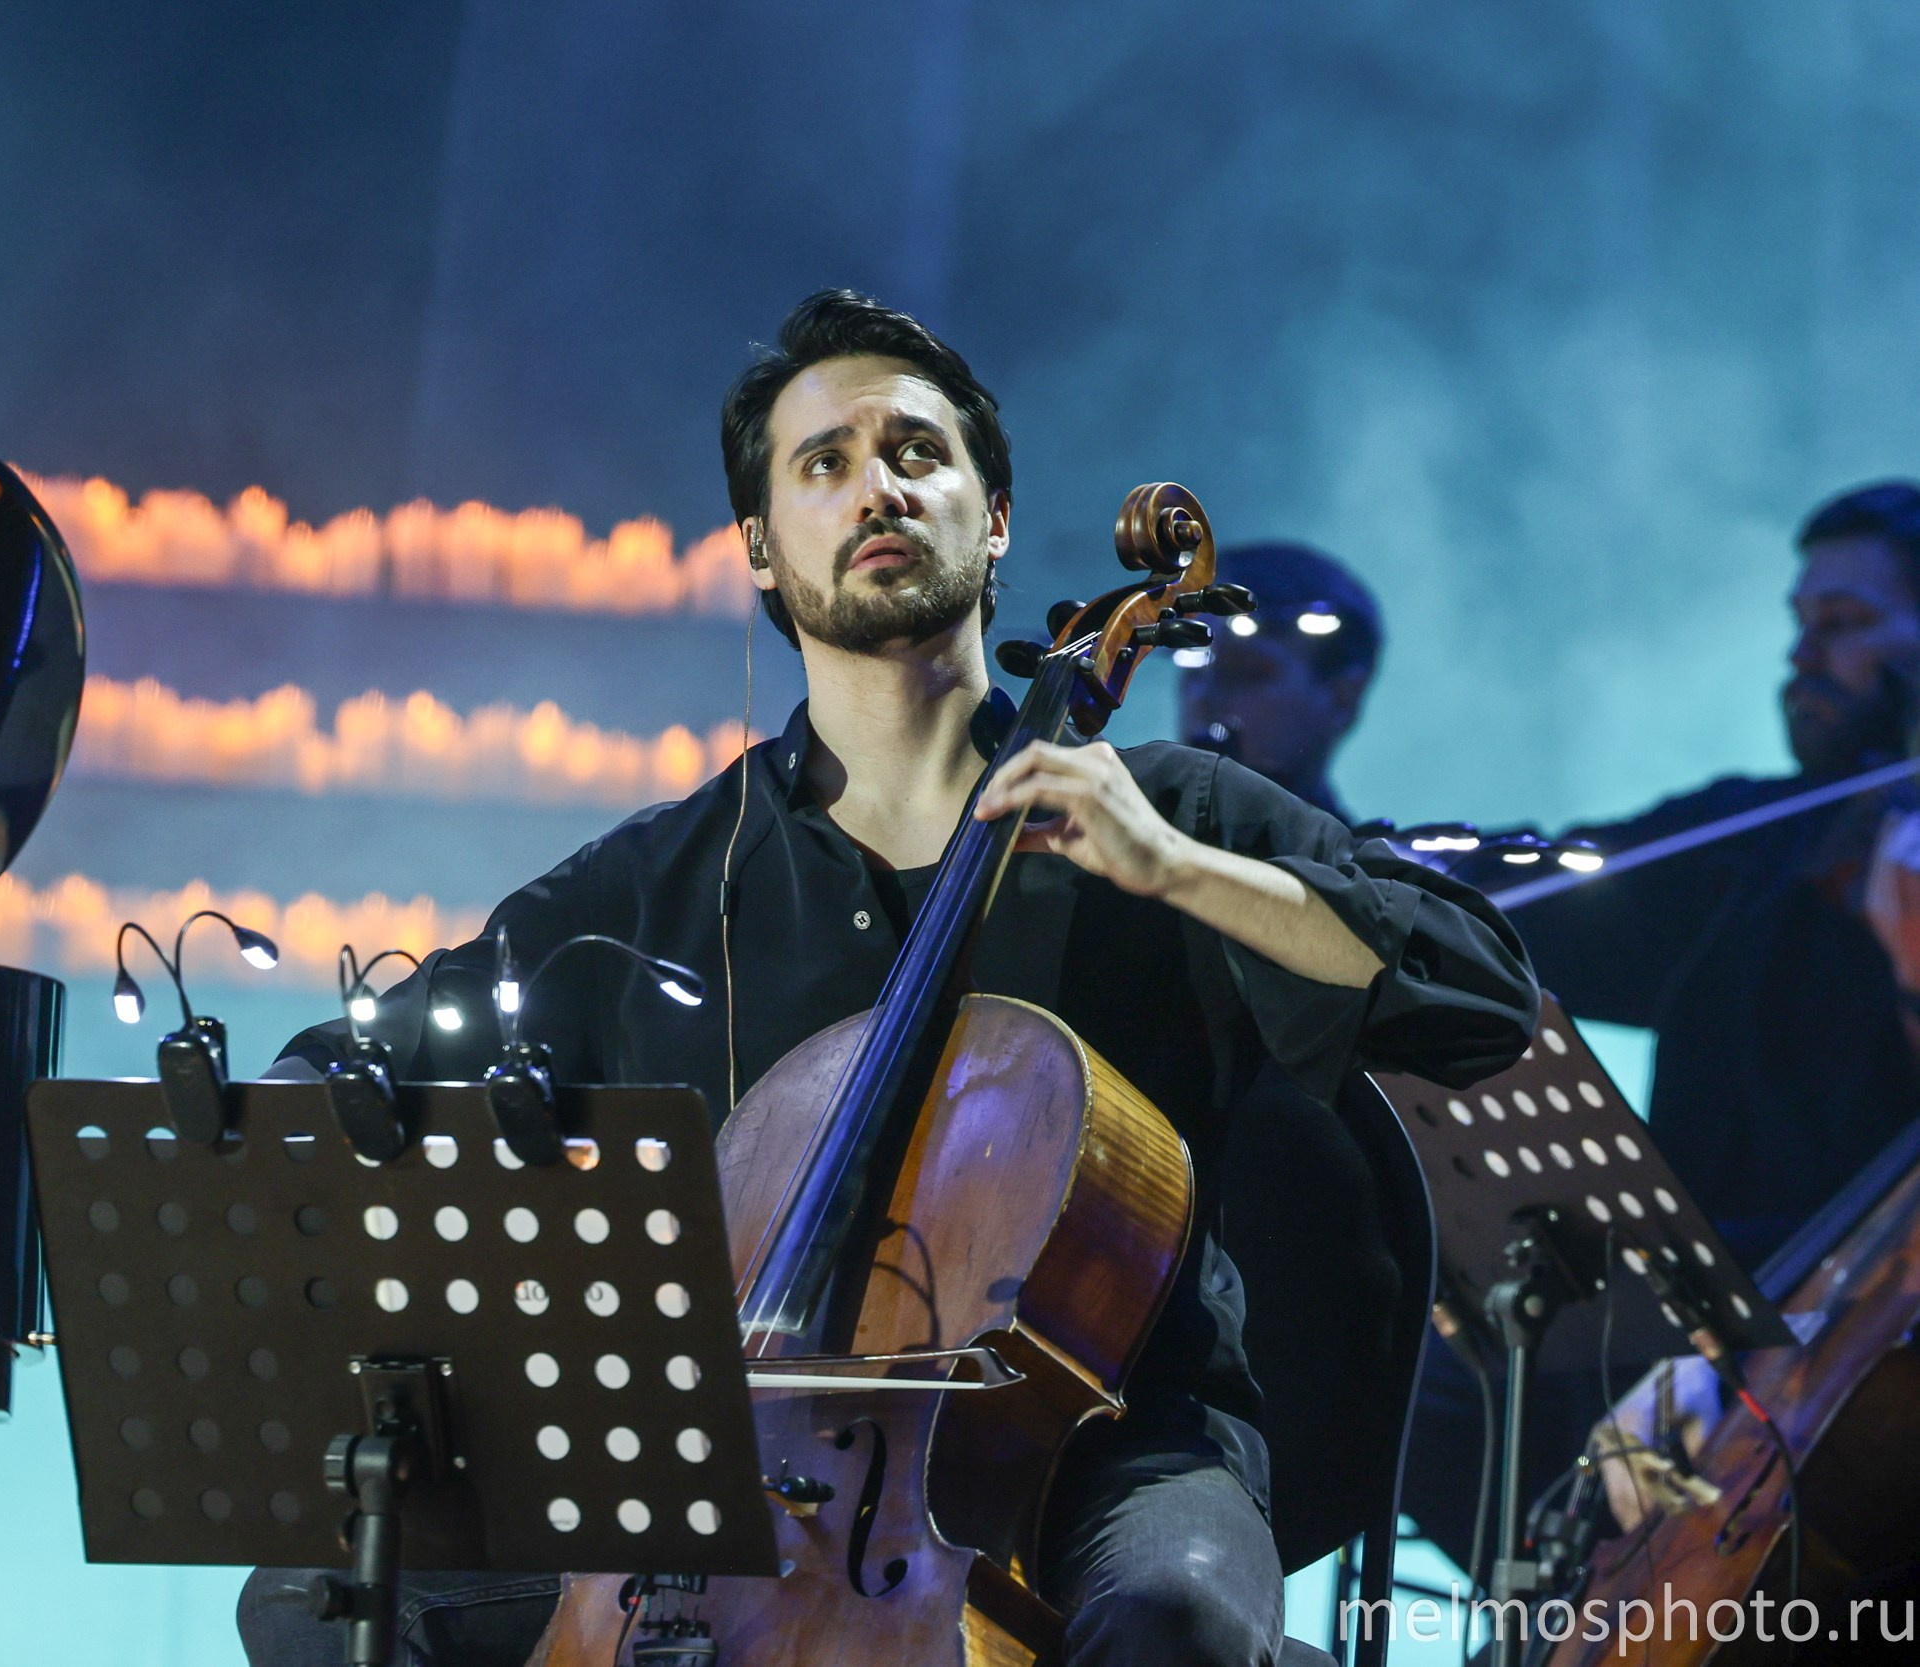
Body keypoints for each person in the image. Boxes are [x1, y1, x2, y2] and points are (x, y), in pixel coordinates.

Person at [238, 290, 1539, 1666]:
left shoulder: (1163, 810)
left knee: (1179, 1622)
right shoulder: (657, 882)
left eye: (918, 453)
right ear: (759, 545)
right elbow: (376, 1054)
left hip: (1107, 1447)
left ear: (992, 520)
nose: (878, 486)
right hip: (727, 1469)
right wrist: (285, 1116)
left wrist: (1178, 870)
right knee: (324, 1597)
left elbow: (1476, 990)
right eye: (826, 462)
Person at [1401, 481, 1920, 1568]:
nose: (1801, 656)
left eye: (1841, 625)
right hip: (1701, 1281)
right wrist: (1361, 866)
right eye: (1798, 625)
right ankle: (1589, 1606)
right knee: (1438, 1385)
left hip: (1868, 1299)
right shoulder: (1756, 833)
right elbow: (1561, 887)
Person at [1177, 542, 1384, 822]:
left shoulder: (1360, 865)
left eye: (1245, 673)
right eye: (1193, 669)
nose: (1202, 697)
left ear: (1342, 699)